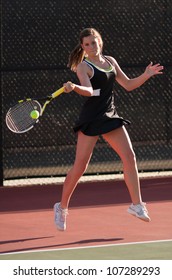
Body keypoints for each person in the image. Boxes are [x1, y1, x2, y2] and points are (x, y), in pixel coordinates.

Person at [54, 28, 164, 231]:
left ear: (100, 42)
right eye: (86, 44)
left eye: (93, 43)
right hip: (91, 119)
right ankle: (61, 207)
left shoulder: (111, 62)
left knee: (129, 156)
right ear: (83, 48)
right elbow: (88, 90)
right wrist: (75, 88)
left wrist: (147, 74)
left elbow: (128, 85)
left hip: (109, 116)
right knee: (80, 168)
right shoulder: (83, 67)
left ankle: (137, 205)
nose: (91, 47)